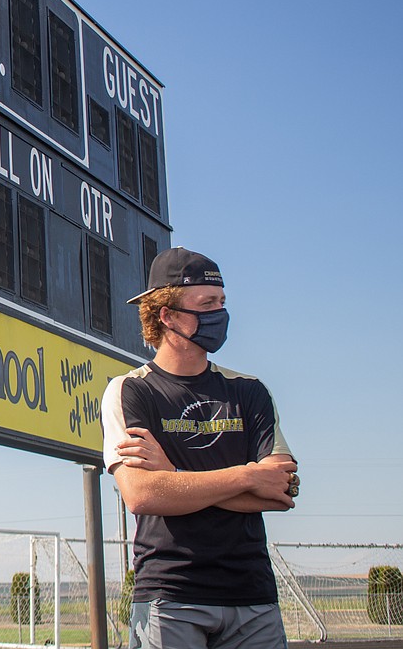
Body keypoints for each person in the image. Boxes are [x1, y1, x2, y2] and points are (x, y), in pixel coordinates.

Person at [101, 247, 299, 649]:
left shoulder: (249, 390)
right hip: (170, 596)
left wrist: (173, 476)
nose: (220, 315)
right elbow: (142, 495)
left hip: (253, 597)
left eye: (222, 303)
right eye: (207, 304)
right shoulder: (131, 390)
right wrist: (246, 476)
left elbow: (280, 491)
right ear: (167, 315)